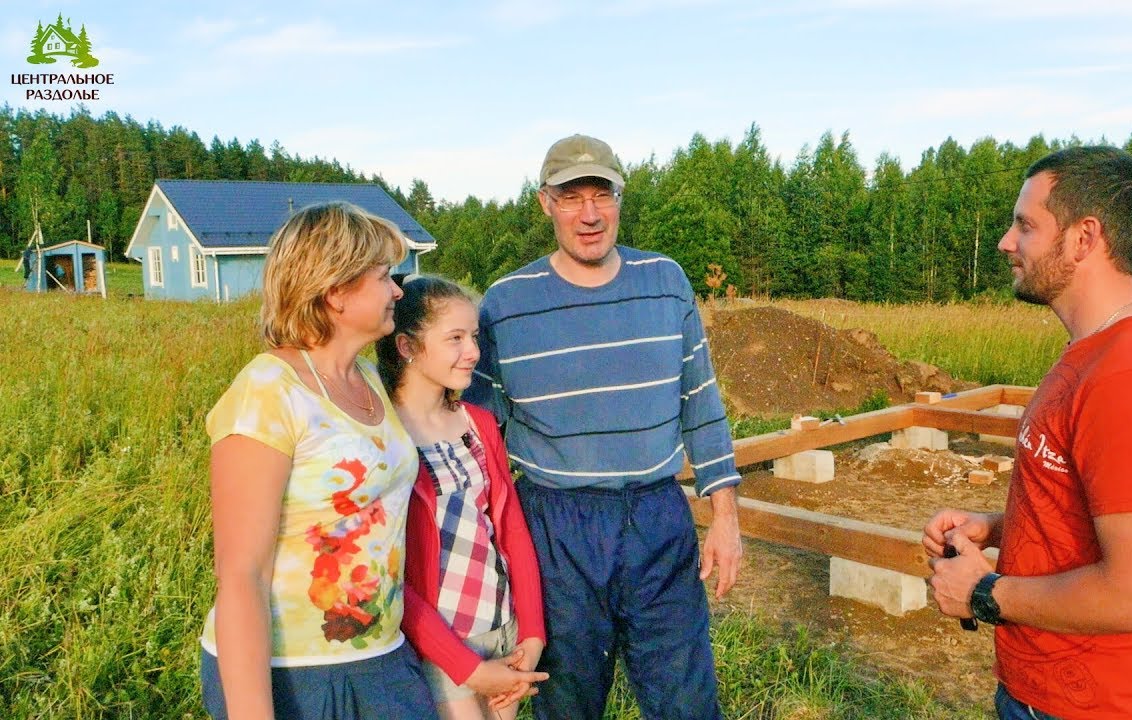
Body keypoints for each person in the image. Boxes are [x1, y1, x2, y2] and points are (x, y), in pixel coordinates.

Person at [923, 146, 1132, 720]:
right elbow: (1094, 511)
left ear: (1084, 238)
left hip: (1104, 704)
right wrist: (995, 529)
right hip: (1049, 696)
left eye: (1026, 225)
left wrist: (984, 594)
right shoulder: (1093, 354)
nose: (1007, 242)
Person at [464, 134, 743, 719]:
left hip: (657, 519)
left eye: (602, 194)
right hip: (556, 529)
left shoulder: (666, 283)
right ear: (545, 203)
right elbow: (475, 430)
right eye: (571, 197)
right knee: (567, 701)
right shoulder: (505, 305)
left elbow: (702, 402)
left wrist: (725, 518)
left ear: (620, 197)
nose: (589, 214)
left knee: (685, 701)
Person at [200, 202, 437, 719]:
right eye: (383, 277)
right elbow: (242, 573)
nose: (398, 290)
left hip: (382, 657)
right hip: (293, 675)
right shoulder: (267, 390)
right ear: (335, 292)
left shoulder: (369, 378)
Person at [375, 275, 549, 719]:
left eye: (473, 336)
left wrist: (532, 632)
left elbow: (509, 529)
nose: (472, 351)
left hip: (501, 626)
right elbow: (389, 575)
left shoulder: (478, 423)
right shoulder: (384, 437)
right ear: (407, 347)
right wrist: (462, 664)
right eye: (455, 338)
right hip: (441, 641)